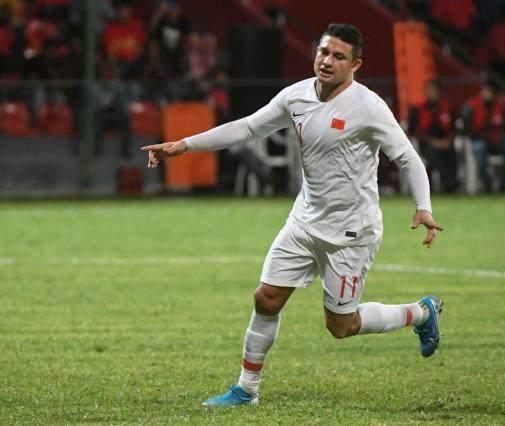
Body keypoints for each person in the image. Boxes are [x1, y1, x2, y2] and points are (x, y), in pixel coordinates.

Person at [141, 23, 445, 408]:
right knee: (266, 298)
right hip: (304, 220)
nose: (327, 61)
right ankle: (247, 389)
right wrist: (184, 145)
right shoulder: (296, 96)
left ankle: (420, 313)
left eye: (338, 56)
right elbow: (248, 128)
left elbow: (407, 158)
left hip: (351, 232)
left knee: (341, 326)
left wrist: (423, 207)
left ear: (356, 65)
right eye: (323, 51)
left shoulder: (368, 107)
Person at [461, 79, 505, 193]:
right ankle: (489, 184)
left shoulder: (501, 107)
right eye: (485, 90)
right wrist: (485, 136)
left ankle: (504, 185)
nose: (487, 94)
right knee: (479, 148)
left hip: (497, 141)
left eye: (490, 91)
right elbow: (467, 129)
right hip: (479, 139)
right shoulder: (472, 105)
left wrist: (500, 137)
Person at [408, 80, 458, 193]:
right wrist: (434, 142)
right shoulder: (417, 109)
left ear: (439, 92)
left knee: (452, 152)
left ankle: (450, 183)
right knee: (433, 153)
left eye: (434, 90)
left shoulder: (447, 108)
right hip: (426, 143)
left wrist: (448, 140)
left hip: (445, 142)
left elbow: (454, 129)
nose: (431, 93)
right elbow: (413, 132)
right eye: (428, 90)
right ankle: (450, 182)